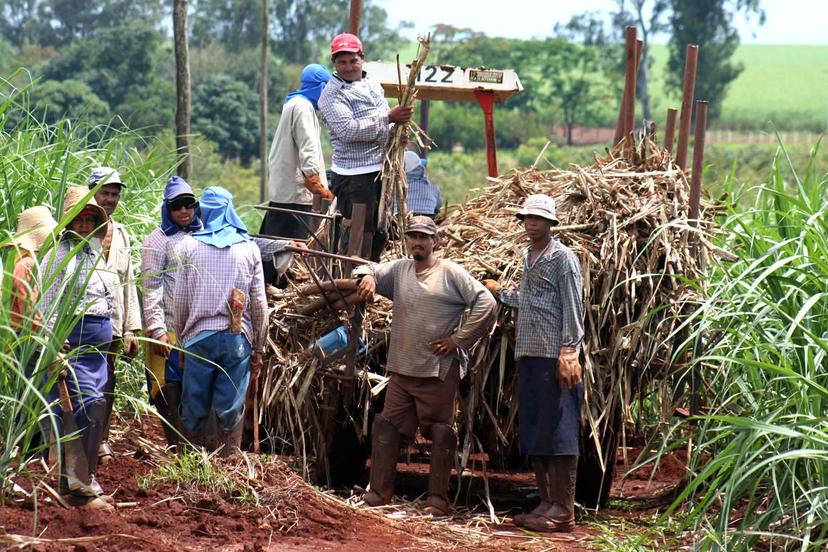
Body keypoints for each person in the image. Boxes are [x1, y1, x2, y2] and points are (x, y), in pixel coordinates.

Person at [352, 216, 496, 515]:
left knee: (441, 431)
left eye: (423, 237)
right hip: (402, 369)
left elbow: (486, 302)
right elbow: (366, 266)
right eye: (412, 236)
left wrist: (458, 339)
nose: (417, 242)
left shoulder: (450, 273)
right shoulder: (400, 269)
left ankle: (437, 500)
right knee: (387, 427)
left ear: (435, 241)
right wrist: (368, 277)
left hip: (436, 370)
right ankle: (379, 493)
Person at [483, 194, 584, 533]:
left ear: (551, 223)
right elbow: (530, 302)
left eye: (538, 218)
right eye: (527, 217)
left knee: (560, 430)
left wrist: (569, 350)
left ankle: (563, 510)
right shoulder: (530, 256)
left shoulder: (562, 258)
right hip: (529, 354)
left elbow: (573, 305)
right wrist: (500, 294)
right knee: (537, 430)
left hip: (553, 357)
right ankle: (546, 503)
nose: (531, 222)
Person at [172, 187, 268, 456]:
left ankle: (190, 463)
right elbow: (259, 304)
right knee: (230, 407)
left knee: (194, 404)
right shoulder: (249, 248)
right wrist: (259, 347)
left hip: (198, 339)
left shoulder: (189, 246)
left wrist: (180, 343)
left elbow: (180, 302)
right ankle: (228, 463)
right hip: (236, 340)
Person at [39, 187, 117, 511]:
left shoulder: (94, 251)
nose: (85, 225)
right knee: (84, 405)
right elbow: (47, 303)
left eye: (90, 219)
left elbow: (106, 296)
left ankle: (81, 480)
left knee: (93, 407)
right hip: (74, 342)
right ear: (69, 222)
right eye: (80, 219)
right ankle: (79, 482)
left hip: (98, 348)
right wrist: (53, 346)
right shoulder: (58, 255)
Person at [319, 33, 413, 261]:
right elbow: (349, 131)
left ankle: (370, 276)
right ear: (335, 64)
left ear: (362, 58)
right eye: (342, 62)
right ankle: (354, 281)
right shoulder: (330, 96)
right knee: (358, 233)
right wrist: (388, 118)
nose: (349, 67)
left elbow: (384, 121)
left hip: (380, 169)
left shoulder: (372, 83)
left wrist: (395, 134)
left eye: (353, 60)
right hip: (355, 176)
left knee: (380, 229)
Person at [140, 176, 202, 447]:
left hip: (195, 329)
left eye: (189, 204)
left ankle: (192, 447)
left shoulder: (203, 234)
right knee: (167, 389)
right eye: (178, 206)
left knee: (194, 390)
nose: (184, 211)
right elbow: (151, 287)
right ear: (168, 208)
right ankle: (177, 448)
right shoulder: (157, 240)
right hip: (168, 328)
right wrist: (157, 331)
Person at [87, 167, 142, 464]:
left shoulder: (121, 234)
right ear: (92, 193)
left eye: (114, 194)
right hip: (82, 322)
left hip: (114, 324)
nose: (110, 199)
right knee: (82, 382)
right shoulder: (77, 230)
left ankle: (102, 440)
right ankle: (83, 438)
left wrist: (132, 327)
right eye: (105, 193)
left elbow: (128, 283)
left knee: (108, 382)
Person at [260, 64, 333, 283]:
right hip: (297, 194)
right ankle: (280, 288)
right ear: (320, 87)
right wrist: (315, 180)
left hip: (284, 192)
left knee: (275, 241)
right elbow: (307, 146)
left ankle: (270, 284)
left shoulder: (293, 104)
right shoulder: (303, 107)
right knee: (290, 248)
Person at [8, 206, 58, 335]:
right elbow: (29, 310)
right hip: (18, 336)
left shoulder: (23, 261)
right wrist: (52, 338)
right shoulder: (27, 264)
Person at [403, 151, 442, 219]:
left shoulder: (393, 190)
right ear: (420, 169)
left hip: (399, 224)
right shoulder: (434, 188)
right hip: (427, 223)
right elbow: (437, 207)